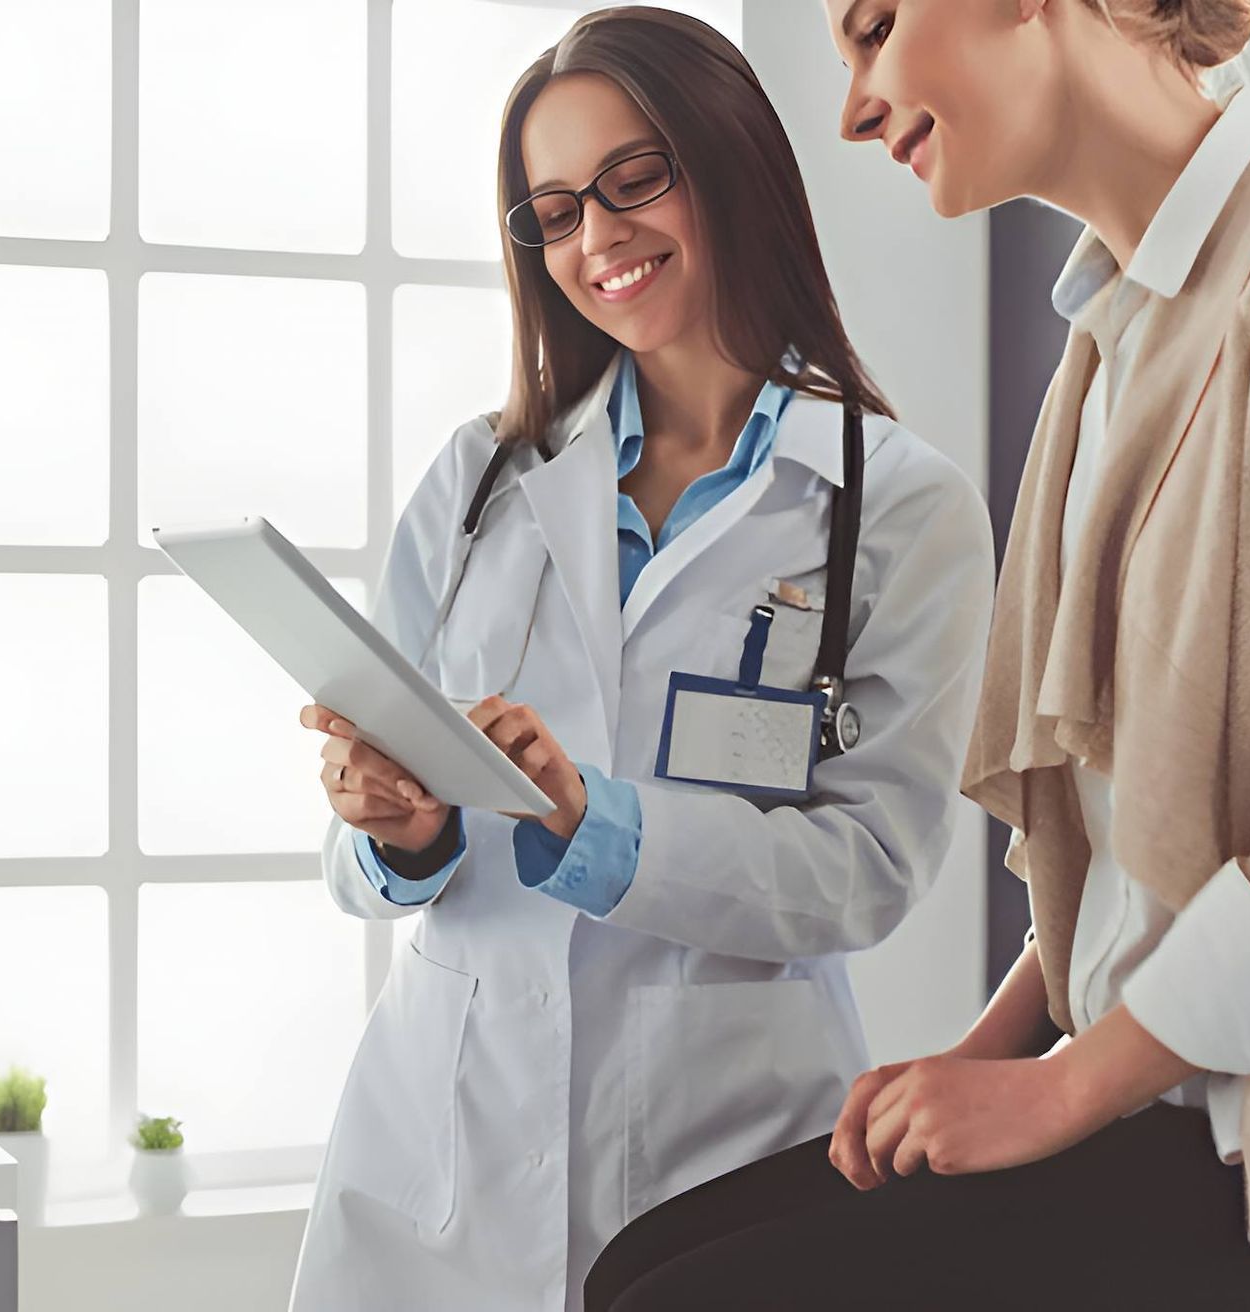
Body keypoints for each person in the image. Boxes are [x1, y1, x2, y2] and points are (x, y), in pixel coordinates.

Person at [584, 2, 1250, 1308]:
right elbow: (1137, 838)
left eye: (875, 28)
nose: (854, 108)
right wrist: (990, 1055)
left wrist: (1060, 1091)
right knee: (636, 1267)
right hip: (1187, 1085)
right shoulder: (1106, 349)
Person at [286, 8, 995, 1310]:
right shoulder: (475, 483)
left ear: (728, 160)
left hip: (726, 1161)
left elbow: (870, 874)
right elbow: (362, 861)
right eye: (554, 212)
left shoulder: (897, 506)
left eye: (634, 179)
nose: (599, 239)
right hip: (441, 1162)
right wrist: (394, 831)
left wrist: (592, 819)